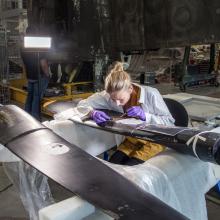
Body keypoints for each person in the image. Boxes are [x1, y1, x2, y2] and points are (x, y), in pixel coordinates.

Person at [77, 61, 175, 165]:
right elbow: (82, 104)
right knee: (114, 163)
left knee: (131, 167)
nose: (117, 103)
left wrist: (145, 116)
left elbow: (169, 122)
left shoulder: (151, 94)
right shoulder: (108, 94)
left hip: (155, 138)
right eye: (113, 99)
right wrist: (92, 112)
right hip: (133, 138)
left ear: (130, 89)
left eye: (120, 99)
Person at [21, 27, 50, 120]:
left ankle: (26, 117)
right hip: (38, 76)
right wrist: (48, 74)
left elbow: (24, 63)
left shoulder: (23, 46)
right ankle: (35, 119)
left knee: (30, 96)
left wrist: (26, 75)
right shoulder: (39, 45)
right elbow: (43, 64)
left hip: (30, 75)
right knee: (36, 98)